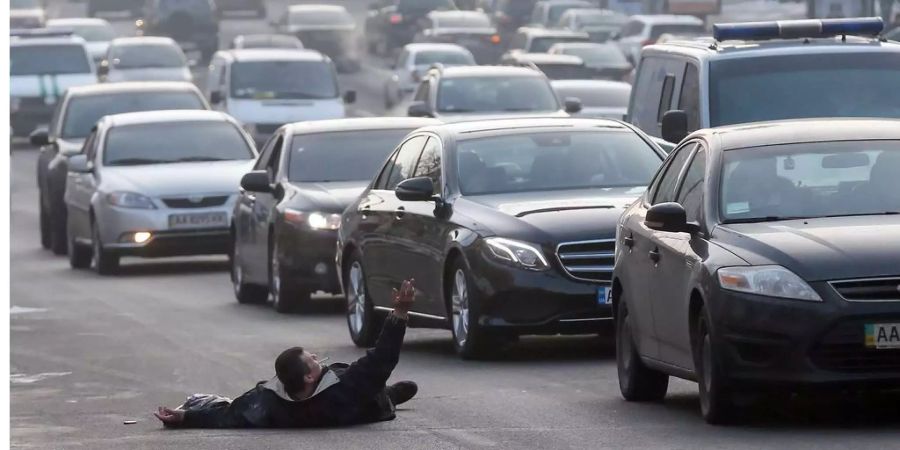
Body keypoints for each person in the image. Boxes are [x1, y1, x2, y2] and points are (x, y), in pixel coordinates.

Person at [154, 279, 419, 428]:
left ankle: (388, 391)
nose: (318, 359)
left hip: (360, 394)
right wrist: (400, 313)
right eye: (313, 360)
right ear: (308, 377)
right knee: (375, 390)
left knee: (373, 381)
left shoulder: (268, 402)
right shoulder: (344, 387)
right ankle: (390, 395)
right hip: (367, 406)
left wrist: (186, 417)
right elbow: (381, 359)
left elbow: (227, 414)